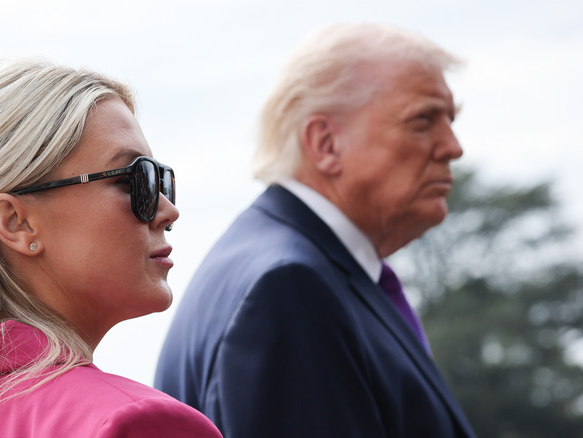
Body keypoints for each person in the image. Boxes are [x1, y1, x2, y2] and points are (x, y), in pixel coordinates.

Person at [0, 59, 222, 438]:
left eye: (161, 179)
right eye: (134, 180)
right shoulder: (135, 424)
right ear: (15, 222)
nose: (168, 210)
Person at [155, 23, 477, 438]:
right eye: (422, 120)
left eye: (449, 119)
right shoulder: (288, 287)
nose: (453, 146)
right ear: (325, 144)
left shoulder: (286, 265)